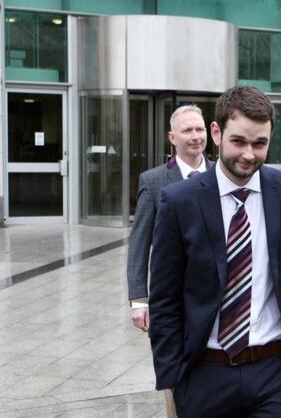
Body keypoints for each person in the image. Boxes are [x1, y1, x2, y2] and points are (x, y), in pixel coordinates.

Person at [148, 86, 281, 418]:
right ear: (216, 133)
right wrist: (173, 376)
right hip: (204, 374)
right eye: (238, 141)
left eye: (260, 144)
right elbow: (164, 298)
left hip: (276, 371)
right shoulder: (179, 201)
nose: (249, 154)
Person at [126, 104, 211, 417]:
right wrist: (139, 299)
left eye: (200, 129)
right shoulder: (154, 181)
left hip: (217, 298)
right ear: (172, 137)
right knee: (177, 383)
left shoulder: (223, 174)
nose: (195, 136)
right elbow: (139, 243)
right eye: (187, 130)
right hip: (174, 301)